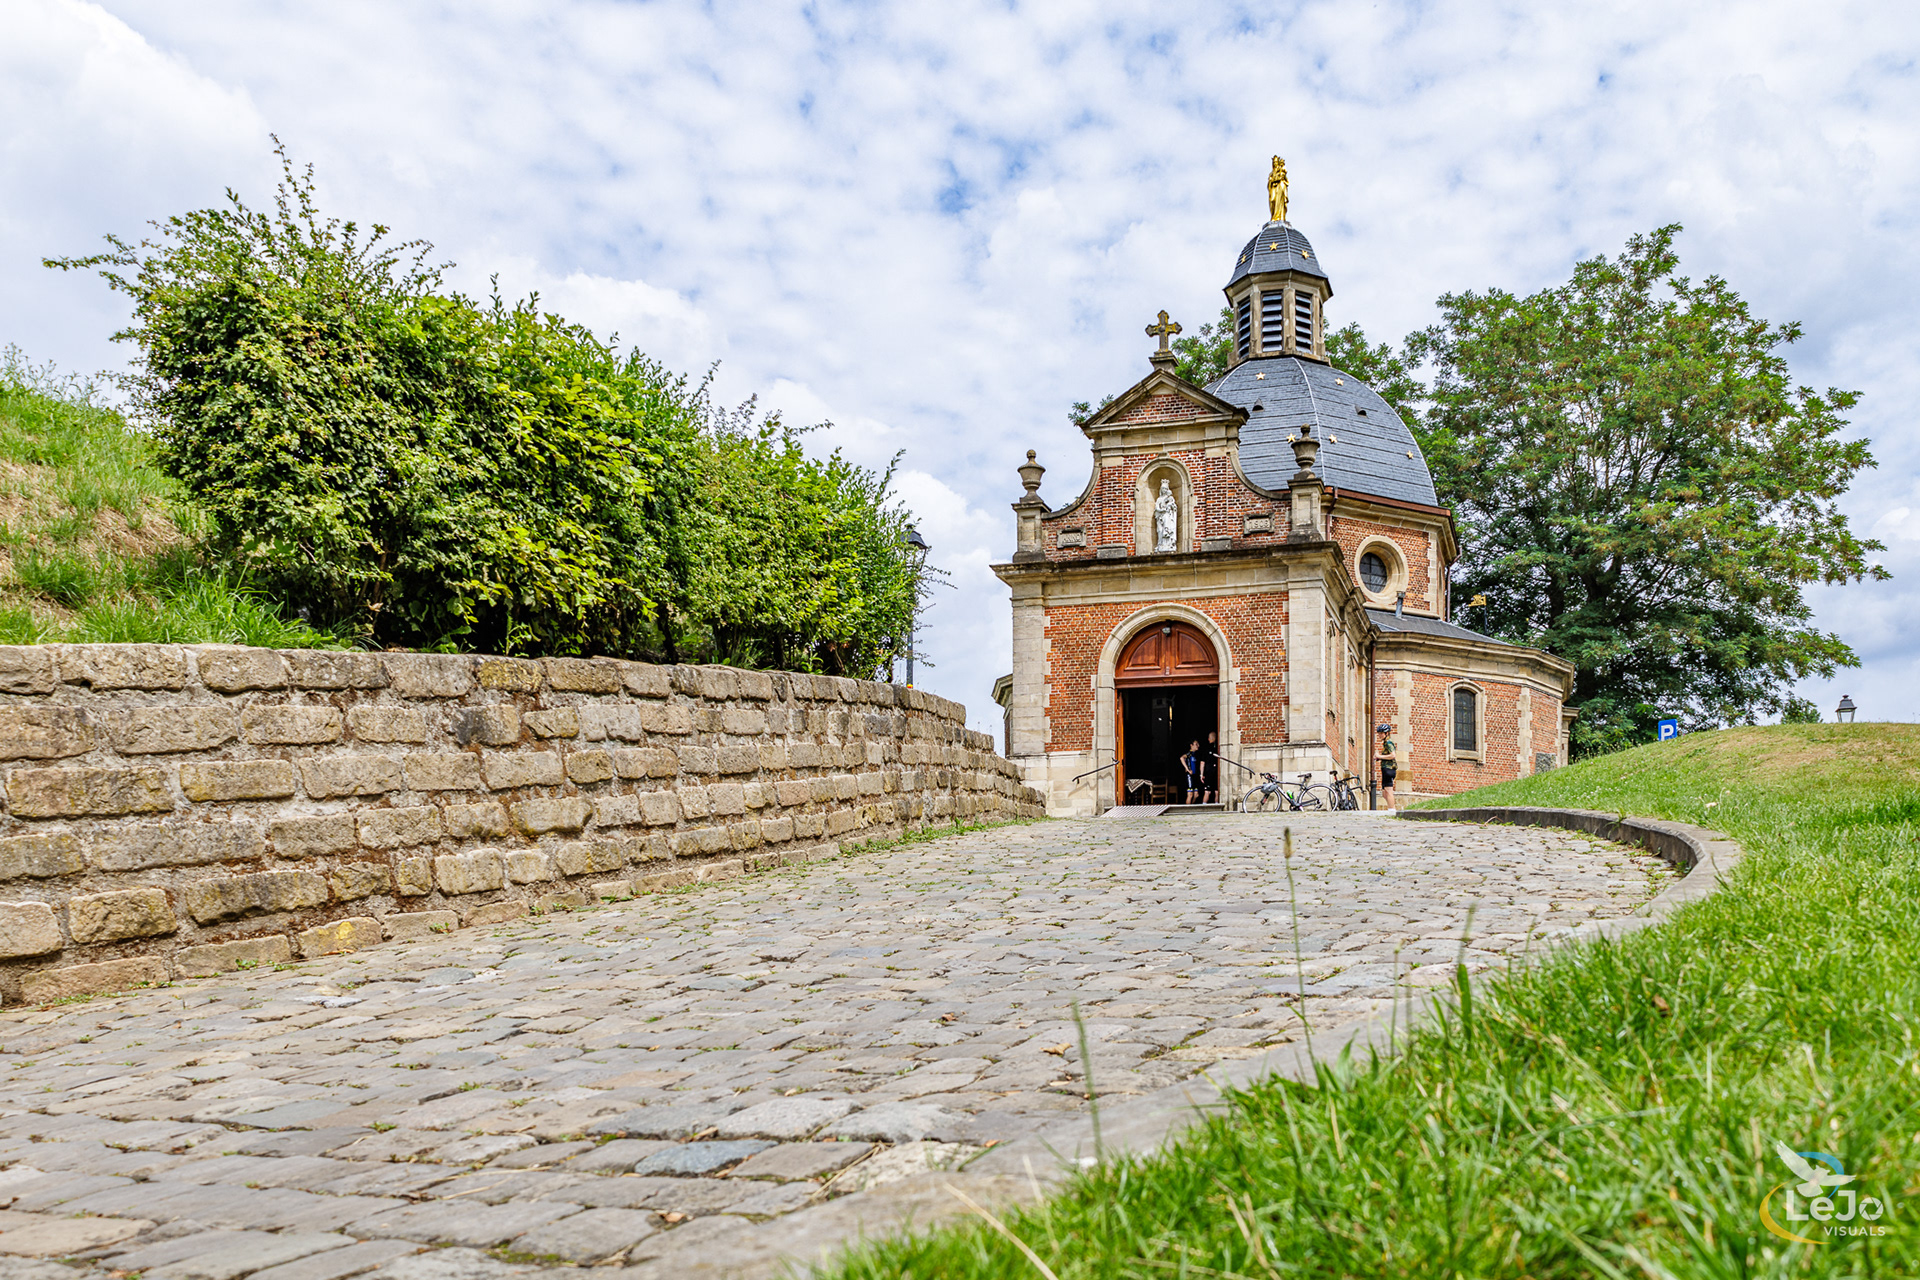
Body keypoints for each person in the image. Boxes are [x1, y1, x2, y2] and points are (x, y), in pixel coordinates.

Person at [1377, 724, 1399, 810]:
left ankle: (1392, 809)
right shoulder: (1386, 743)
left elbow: (1393, 755)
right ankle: (1391, 806)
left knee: (1388, 790)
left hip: (1389, 769)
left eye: (1381, 733)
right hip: (1385, 768)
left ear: (1386, 733)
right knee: (1384, 792)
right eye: (1379, 733)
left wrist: (1380, 756)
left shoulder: (1389, 742)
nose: (1379, 735)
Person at [1202, 731, 1219, 803]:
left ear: (1209, 739)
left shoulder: (1206, 749)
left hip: (1208, 772)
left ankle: (1203, 806)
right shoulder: (1219, 748)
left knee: (1207, 792)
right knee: (1217, 792)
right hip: (1217, 772)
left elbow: (1202, 763)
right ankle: (1218, 807)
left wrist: (1201, 774)